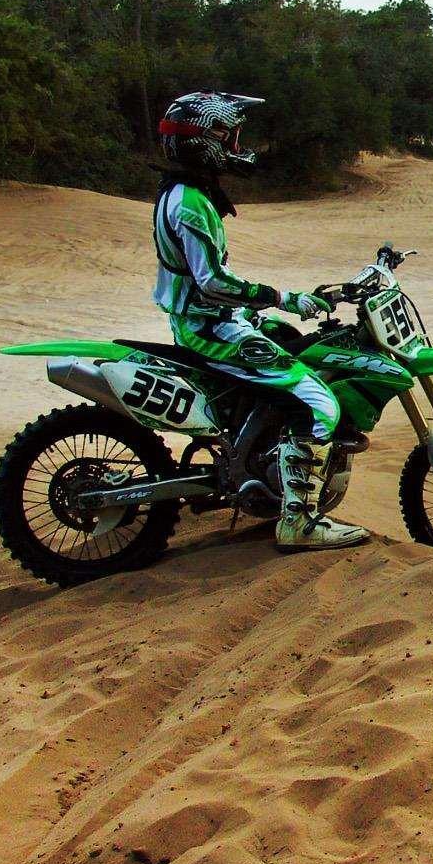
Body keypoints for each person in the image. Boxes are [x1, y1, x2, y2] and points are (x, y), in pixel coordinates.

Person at [154, 91, 368, 550]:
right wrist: (280, 298)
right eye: (228, 135)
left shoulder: (185, 192)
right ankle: (300, 522)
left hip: (212, 319)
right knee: (319, 403)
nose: (236, 144)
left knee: (293, 345)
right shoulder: (190, 202)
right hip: (209, 328)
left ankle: (263, 463)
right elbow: (211, 282)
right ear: (203, 142)